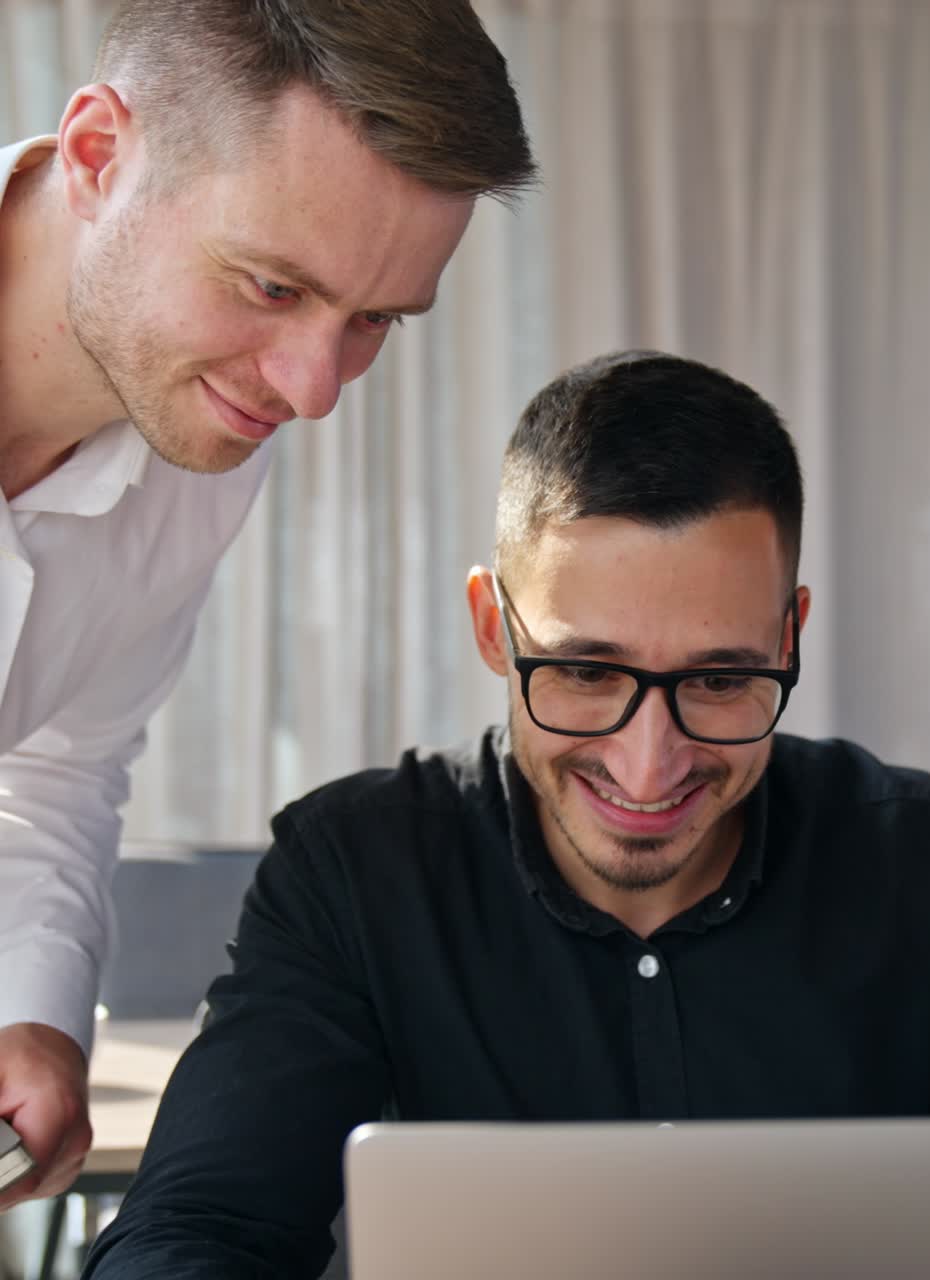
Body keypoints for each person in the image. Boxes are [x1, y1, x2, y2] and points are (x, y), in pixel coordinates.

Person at [82, 350, 930, 1278]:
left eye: (718, 680)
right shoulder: (357, 866)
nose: (646, 764)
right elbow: (195, 1228)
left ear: (788, 636)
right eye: (582, 669)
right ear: (492, 625)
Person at [0, 0, 533, 1209]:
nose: (312, 390)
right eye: (270, 285)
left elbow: (55, 763)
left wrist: (28, 1009)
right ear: (98, 157)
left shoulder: (205, 425)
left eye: (374, 322)